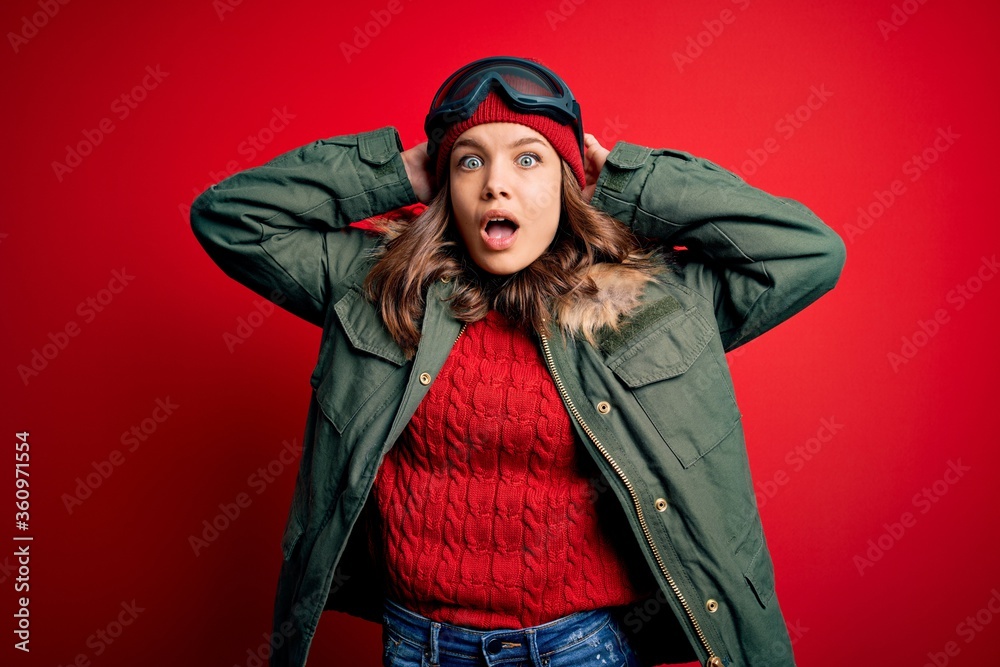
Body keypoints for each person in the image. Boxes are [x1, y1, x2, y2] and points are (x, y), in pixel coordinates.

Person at [190, 56, 846, 667]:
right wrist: (400, 169)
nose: (496, 183)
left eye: (528, 160)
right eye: (470, 163)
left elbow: (808, 253)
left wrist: (623, 180)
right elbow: (229, 217)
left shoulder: (648, 301)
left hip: (581, 646)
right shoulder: (376, 285)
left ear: (568, 181)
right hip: (420, 644)